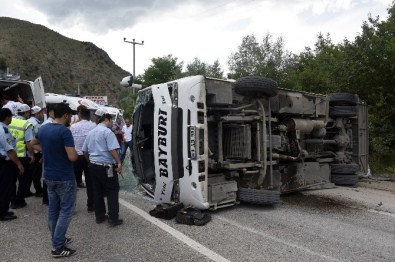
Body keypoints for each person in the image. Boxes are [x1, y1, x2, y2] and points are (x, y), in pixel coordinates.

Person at [31, 102, 78, 258]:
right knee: (66, 211)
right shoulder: (64, 131)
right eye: (70, 115)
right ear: (65, 116)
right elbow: (72, 156)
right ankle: (57, 247)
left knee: (53, 210)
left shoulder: (44, 128)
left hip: (49, 176)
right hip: (64, 176)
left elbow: (32, 143)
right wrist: (75, 155)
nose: (70, 118)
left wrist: (48, 150)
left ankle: (57, 238)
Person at [83, 109, 123, 227]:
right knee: (112, 191)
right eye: (111, 121)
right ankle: (113, 219)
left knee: (97, 191)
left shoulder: (91, 132)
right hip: (107, 166)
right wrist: (119, 163)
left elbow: (84, 151)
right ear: (107, 119)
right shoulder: (107, 132)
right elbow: (112, 149)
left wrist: (90, 161)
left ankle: (99, 216)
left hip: (94, 166)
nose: (111, 124)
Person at [70, 105, 96, 211]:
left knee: (73, 183)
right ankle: (91, 205)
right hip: (89, 157)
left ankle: (71, 207)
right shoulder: (93, 126)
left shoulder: (73, 127)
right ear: (89, 115)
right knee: (91, 183)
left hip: (76, 157)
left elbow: (70, 142)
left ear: (79, 115)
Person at [0, 108, 24, 221]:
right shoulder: (3, 130)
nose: (12, 119)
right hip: (5, 162)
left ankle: (3, 209)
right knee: (5, 188)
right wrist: (19, 164)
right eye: (11, 117)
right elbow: (9, 150)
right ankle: (2, 213)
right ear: (7, 117)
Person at [9, 103, 34, 209]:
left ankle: (12, 199)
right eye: (29, 112)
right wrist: (32, 154)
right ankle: (19, 200)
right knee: (24, 179)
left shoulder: (9, 121)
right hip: (22, 155)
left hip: (10, 155)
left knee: (11, 179)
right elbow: (29, 142)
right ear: (26, 113)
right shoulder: (26, 124)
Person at [27, 106, 45, 197]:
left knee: (31, 171)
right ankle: (38, 190)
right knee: (37, 172)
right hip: (36, 151)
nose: (42, 114)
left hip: (28, 150)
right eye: (41, 113)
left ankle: (27, 190)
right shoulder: (37, 124)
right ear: (37, 113)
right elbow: (39, 138)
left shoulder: (28, 121)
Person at [40, 103, 55, 205]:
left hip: (48, 153)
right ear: (50, 112)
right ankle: (46, 198)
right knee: (47, 175)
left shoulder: (49, 123)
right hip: (48, 153)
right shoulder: (47, 124)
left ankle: (47, 198)